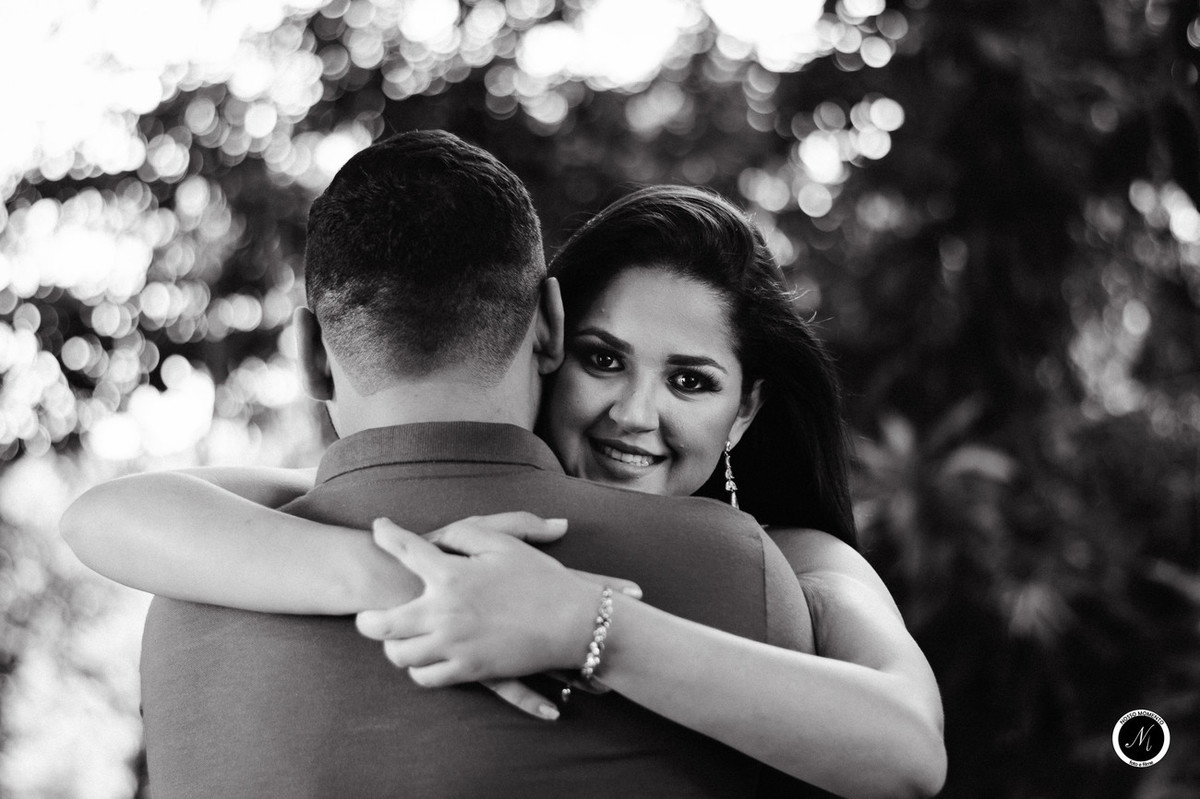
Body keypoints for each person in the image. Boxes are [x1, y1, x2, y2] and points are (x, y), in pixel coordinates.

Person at [64, 178, 947, 795]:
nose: (635, 413)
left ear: (744, 411)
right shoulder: (443, 529)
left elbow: (909, 748)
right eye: (605, 359)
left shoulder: (795, 561)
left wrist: (582, 622)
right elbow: (109, 512)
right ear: (549, 342)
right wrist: (416, 579)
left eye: (689, 380)